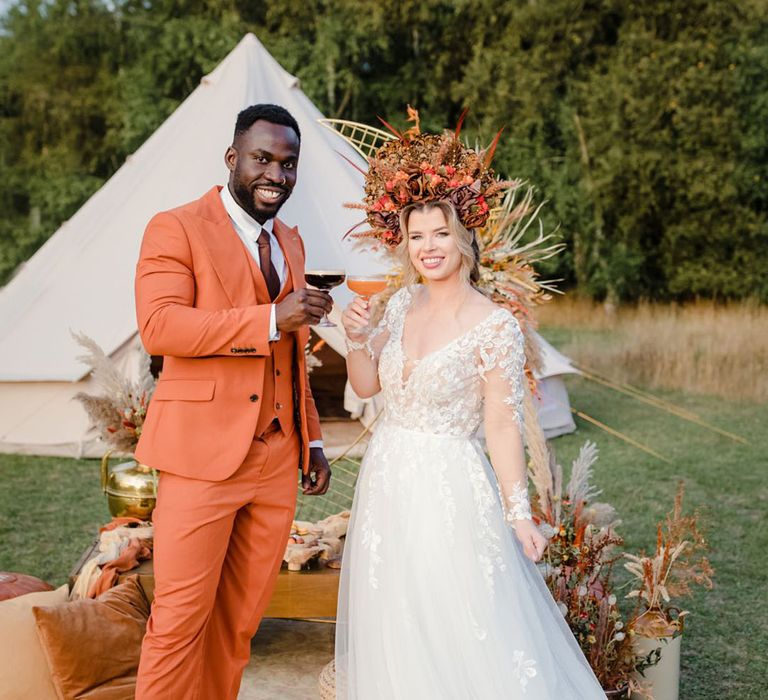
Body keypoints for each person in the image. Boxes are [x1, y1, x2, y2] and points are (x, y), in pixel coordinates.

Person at [335, 123, 605, 698]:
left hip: (449, 486)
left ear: (464, 238)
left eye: (440, 233)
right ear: (403, 243)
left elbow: (503, 425)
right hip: (387, 481)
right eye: (416, 236)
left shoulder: (495, 326)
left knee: (459, 620)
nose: (428, 247)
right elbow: (365, 386)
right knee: (396, 617)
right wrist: (355, 337)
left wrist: (519, 514)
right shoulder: (401, 302)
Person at [133, 103, 332, 699]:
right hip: (201, 460)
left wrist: (312, 438)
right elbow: (161, 327)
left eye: (289, 163)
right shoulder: (176, 227)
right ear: (233, 159)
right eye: (264, 158)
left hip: (276, 461)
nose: (277, 174)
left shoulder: (291, 243)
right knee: (178, 622)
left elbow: (293, 357)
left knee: (239, 624)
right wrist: (271, 317)